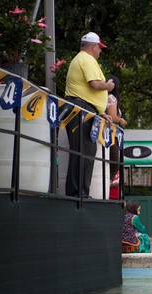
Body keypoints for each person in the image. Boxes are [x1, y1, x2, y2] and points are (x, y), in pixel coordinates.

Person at [64, 32, 114, 198]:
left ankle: (80, 192)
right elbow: (95, 84)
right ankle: (77, 193)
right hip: (81, 109)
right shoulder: (87, 59)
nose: (100, 51)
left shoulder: (83, 59)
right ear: (93, 46)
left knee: (86, 151)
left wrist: (101, 113)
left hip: (86, 110)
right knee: (82, 151)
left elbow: (88, 91)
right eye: (100, 48)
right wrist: (108, 86)